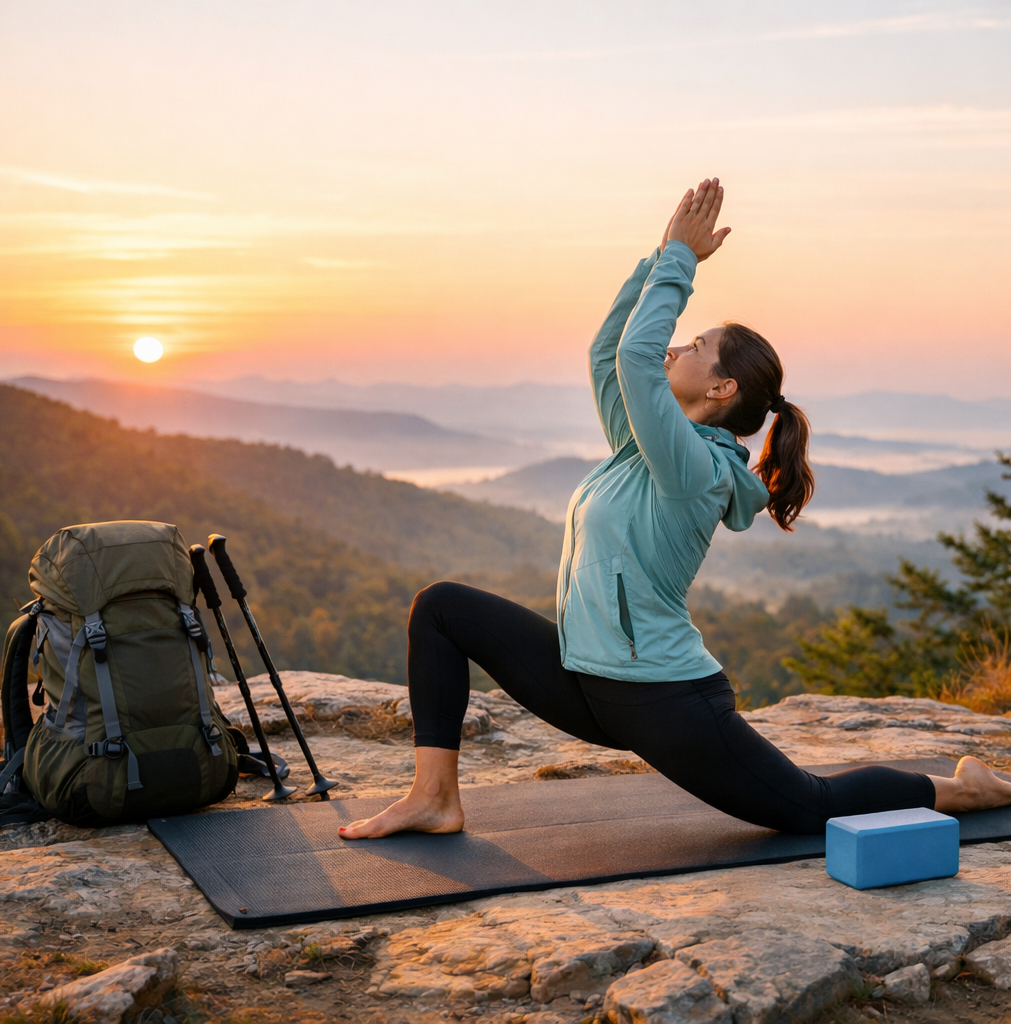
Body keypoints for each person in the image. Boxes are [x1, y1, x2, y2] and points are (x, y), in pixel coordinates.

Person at [340, 178, 1011, 840]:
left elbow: (636, 358)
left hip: (660, 697)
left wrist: (682, 264)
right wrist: (659, 255)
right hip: (587, 677)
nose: (677, 345)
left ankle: (960, 790)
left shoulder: (699, 472)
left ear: (722, 387)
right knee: (443, 608)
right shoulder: (647, 445)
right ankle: (434, 798)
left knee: (808, 807)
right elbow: (609, 352)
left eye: (696, 346)